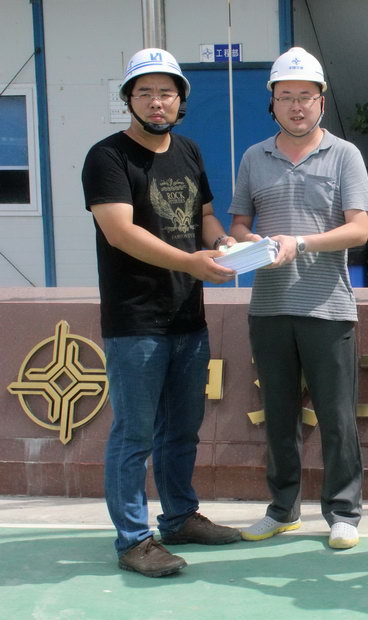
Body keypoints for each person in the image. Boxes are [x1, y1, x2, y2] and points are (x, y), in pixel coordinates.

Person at [81, 48, 241, 578]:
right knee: (134, 435)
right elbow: (120, 232)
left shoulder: (189, 150)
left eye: (166, 93)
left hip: (187, 317)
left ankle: (179, 518)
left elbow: (205, 216)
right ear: (129, 99)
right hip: (135, 322)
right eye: (145, 92)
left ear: (180, 101)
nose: (156, 102)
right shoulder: (107, 157)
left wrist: (223, 244)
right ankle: (133, 540)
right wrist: (192, 262)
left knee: (183, 430)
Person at [230, 46, 368, 550]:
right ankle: (282, 509)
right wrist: (248, 242)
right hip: (269, 307)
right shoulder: (254, 157)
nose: (296, 106)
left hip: (327, 307)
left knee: (337, 417)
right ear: (272, 102)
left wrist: (301, 243)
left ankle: (344, 511)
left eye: (305, 96)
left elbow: (359, 229)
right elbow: (239, 223)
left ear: (321, 101)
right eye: (286, 96)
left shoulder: (345, 155)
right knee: (278, 415)